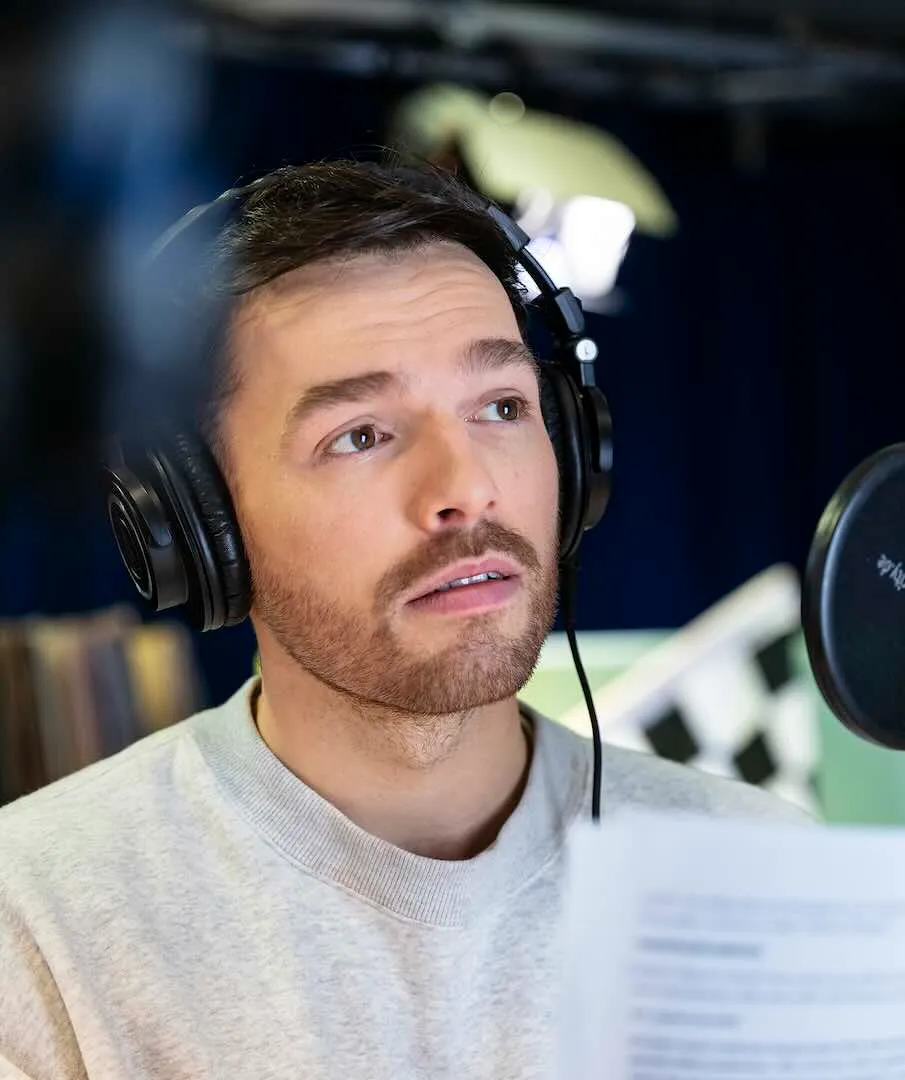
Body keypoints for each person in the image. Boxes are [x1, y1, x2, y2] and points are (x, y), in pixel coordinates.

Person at [0, 162, 809, 1079]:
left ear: (578, 454)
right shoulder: (37, 922)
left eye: (502, 407)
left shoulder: (762, 872)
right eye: (361, 435)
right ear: (198, 524)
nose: (465, 488)